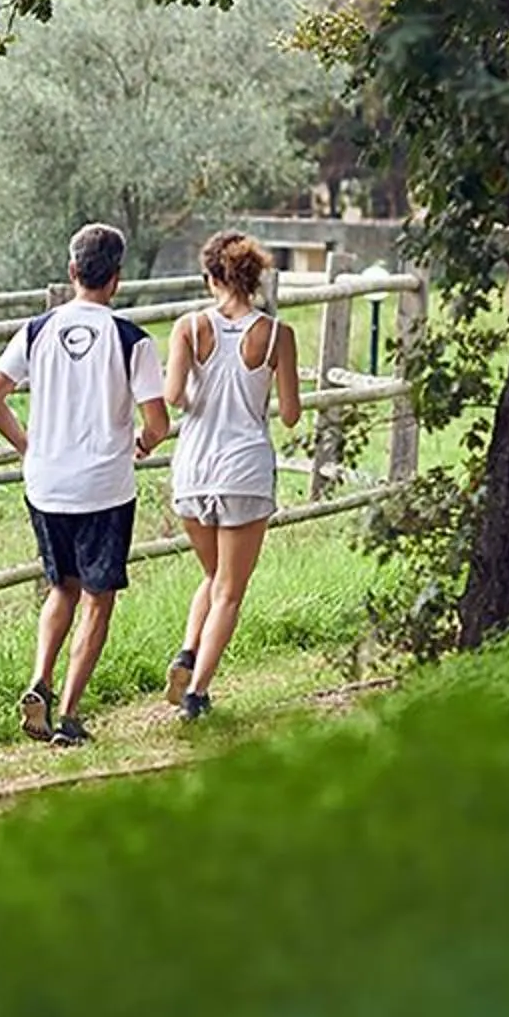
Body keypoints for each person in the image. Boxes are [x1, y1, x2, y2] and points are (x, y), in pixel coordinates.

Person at [0, 223, 171, 747]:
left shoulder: (36, 331)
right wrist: (145, 443)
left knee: (62, 586)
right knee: (98, 599)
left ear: (72, 272)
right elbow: (158, 421)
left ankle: (40, 678)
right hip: (104, 487)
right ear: (118, 279)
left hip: (47, 483)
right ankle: (68, 716)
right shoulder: (133, 340)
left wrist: (26, 445)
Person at [160, 229, 302, 721]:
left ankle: (185, 651)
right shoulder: (278, 335)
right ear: (254, 278)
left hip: (194, 469)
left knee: (213, 575)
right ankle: (196, 693)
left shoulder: (188, 327)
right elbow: (289, 414)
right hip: (244, 471)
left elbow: (174, 396)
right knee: (229, 591)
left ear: (210, 278)